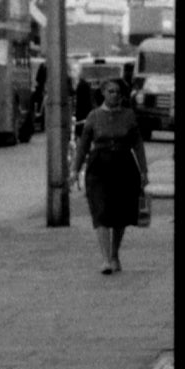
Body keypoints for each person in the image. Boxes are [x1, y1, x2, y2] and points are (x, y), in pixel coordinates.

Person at [74, 76, 151, 275]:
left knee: (119, 214)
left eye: (117, 92)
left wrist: (144, 171)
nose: (114, 95)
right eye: (110, 91)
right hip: (99, 167)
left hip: (124, 167)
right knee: (100, 212)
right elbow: (83, 146)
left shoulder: (129, 116)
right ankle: (105, 259)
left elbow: (138, 144)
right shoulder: (93, 116)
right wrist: (74, 170)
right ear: (103, 93)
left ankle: (115, 254)